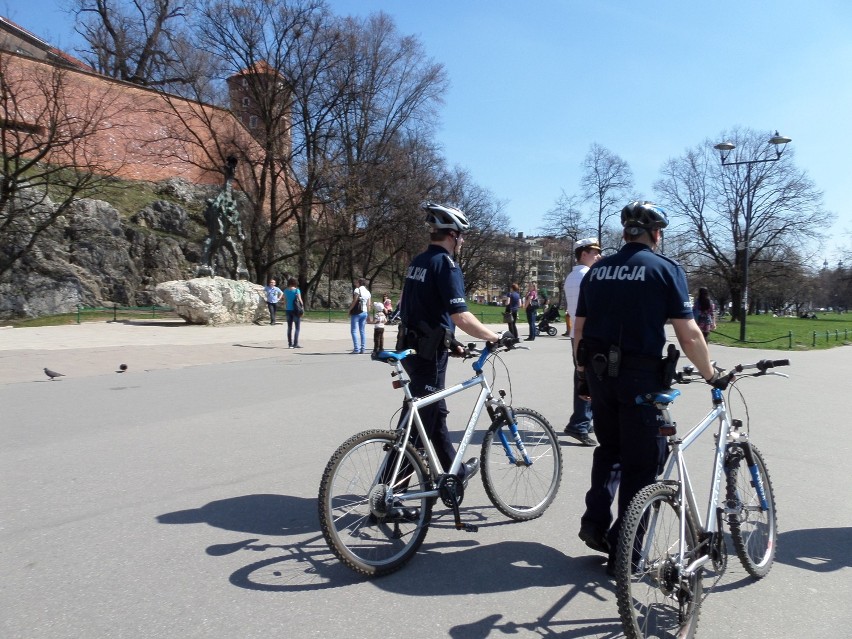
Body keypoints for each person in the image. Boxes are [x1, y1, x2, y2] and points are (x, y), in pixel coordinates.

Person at [572, 201, 717, 576]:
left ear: (625, 232)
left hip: (601, 375)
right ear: (656, 233)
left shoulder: (597, 271)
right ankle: (627, 552)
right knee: (642, 465)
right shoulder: (665, 269)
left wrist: (583, 375)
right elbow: (689, 333)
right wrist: (710, 372)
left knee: (609, 451)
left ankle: (595, 521)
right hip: (640, 378)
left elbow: (579, 331)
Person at [397, 202, 513, 489]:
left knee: (430, 417)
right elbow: (460, 315)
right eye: (463, 236)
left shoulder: (419, 261)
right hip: (427, 353)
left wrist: (451, 342)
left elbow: (421, 309)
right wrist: (494, 336)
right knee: (421, 423)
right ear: (453, 235)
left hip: (410, 347)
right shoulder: (446, 265)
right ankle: (392, 494)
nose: (463, 241)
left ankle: (452, 473)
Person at [563, 237, 603, 446]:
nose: (599, 256)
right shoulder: (588, 276)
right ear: (583, 253)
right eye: (595, 252)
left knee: (584, 377)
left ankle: (585, 421)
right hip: (588, 334)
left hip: (577, 334)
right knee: (587, 380)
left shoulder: (572, 275)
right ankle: (579, 424)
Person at [348, 278, 371, 353]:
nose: (356, 283)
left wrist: (350, 309)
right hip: (364, 312)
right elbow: (369, 304)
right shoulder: (368, 292)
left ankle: (356, 348)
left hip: (357, 312)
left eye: (357, 282)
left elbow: (355, 301)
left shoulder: (357, 290)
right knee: (362, 331)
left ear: (359, 283)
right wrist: (368, 314)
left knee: (354, 331)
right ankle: (363, 348)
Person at [282, 278, 304, 348]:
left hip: (288, 310)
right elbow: (300, 301)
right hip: (296, 310)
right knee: (297, 327)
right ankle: (295, 343)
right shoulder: (297, 290)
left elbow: (285, 301)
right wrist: (302, 308)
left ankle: (289, 344)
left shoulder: (285, 291)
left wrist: (286, 307)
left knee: (289, 327)